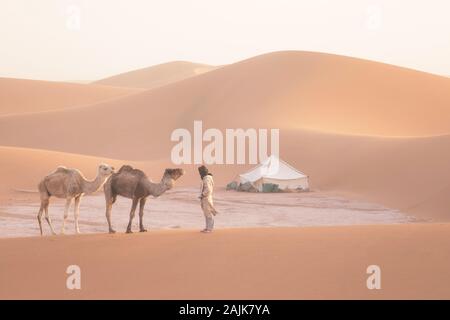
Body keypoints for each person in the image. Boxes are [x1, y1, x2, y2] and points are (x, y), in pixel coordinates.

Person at [198, 165, 217, 233]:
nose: (199, 173)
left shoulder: (207, 179)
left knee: (208, 214)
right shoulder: (207, 178)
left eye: (200, 172)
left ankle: (209, 229)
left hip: (206, 198)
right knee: (206, 213)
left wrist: (202, 194)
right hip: (206, 198)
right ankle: (207, 228)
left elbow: (208, 190)